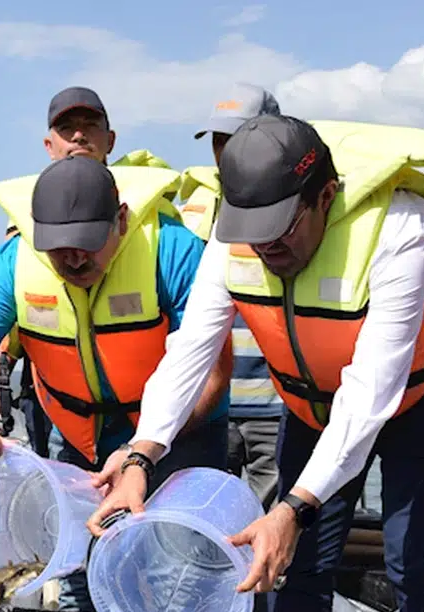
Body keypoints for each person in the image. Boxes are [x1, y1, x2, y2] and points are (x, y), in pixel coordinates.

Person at [91, 115, 424, 612]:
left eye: (281, 228)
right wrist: (141, 455)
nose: (265, 247)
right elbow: (189, 352)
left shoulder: (399, 225)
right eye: (252, 232)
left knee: (413, 559)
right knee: (296, 564)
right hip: (312, 399)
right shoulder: (236, 235)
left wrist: (295, 506)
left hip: (421, 393)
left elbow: (370, 392)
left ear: (326, 196)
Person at [0, 155, 232, 612]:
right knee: (77, 577)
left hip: (178, 436)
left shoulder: (173, 250)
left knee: (175, 585)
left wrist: (141, 452)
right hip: (76, 442)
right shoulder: (15, 262)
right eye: (58, 247)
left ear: (121, 221)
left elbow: (212, 373)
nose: (73, 258)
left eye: (88, 243)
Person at [0, 87, 181, 457]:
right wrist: (3, 367)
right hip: (61, 407)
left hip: (152, 423)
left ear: (111, 140)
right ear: (49, 145)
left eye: (90, 126)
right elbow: (11, 306)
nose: (79, 136)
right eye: (67, 128)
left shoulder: (160, 228)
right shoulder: (24, 229)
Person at [178, 84, 284, 509]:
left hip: (276, 405)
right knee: (202, 520)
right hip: (210, 405)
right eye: (219, 140)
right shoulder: (193, 210)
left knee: (269, 524)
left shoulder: (296, 205)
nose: (226, 151)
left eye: (238, 137)